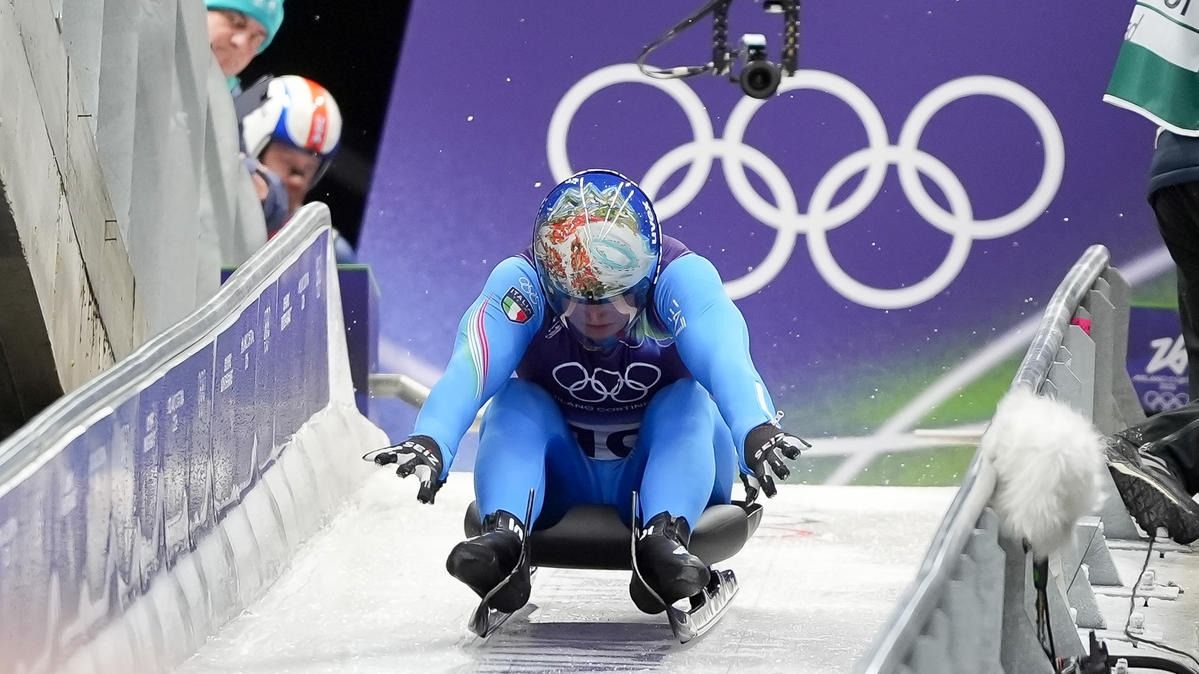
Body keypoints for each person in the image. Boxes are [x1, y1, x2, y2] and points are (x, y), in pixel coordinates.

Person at [372, 170, 807, 613]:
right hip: (563, 476)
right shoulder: (521, 284)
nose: (596, 315)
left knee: (688, 399)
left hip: (664, 466)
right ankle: (504, 535)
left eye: (617, 297)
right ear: (550, 281)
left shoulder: (682, 278)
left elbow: (725, 357)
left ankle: (664, 539)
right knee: (515, 400)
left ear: (645, 277)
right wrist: (434, 438)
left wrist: (755, 428)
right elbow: (474, 364)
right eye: (576, 299)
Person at [239, 75, 356, 261]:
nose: (297, 181)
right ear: (256, 150)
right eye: (289, 163)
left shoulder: (329, 256)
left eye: (309, 169)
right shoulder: (204, 209)